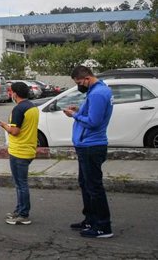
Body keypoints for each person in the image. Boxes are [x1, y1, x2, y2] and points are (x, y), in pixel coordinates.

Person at [63, 65, 114, 238]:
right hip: (86, 145)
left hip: (92, 146)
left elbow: (93, 122)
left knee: (94, 187)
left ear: (86, 78)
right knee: (85, 184)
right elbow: (92, 113)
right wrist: (79, 110)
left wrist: (74, 116)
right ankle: (90, 219)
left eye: (79, 82)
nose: (79, 86)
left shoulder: (98, 93)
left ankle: (103, 226)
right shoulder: (95, 91)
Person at [0, 81, 39, 225]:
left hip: (19, 150)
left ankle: (23, 214)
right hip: (29, 148)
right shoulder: (32, 107)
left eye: (11, 92)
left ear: (15, 93)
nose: (10, 94)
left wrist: (4, 125)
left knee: (21, 184)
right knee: (20, 183)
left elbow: (14, 131)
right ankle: (19, 209)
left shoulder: (18, 109)